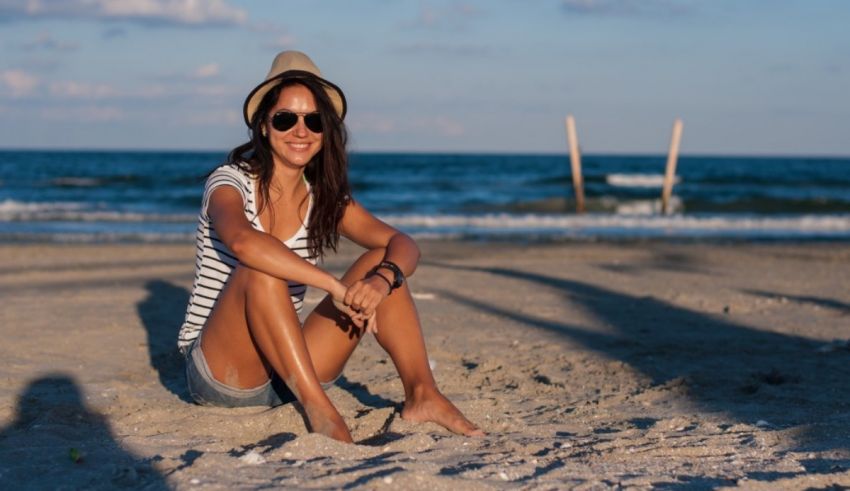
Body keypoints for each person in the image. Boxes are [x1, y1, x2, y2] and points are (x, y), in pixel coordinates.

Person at [177, 51, 483, 442]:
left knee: (380, 260)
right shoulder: (229, 181)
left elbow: (403, 244)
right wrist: (333, 286)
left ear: (326, 132)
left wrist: (381, 281)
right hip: (224, 371)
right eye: (286, 118)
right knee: (260, 268)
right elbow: (243, 242)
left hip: (288, 368)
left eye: (314, 120)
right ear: (264, 126)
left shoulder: (322, 196)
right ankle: (321, 411)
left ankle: (423, 393)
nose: (300, 131)